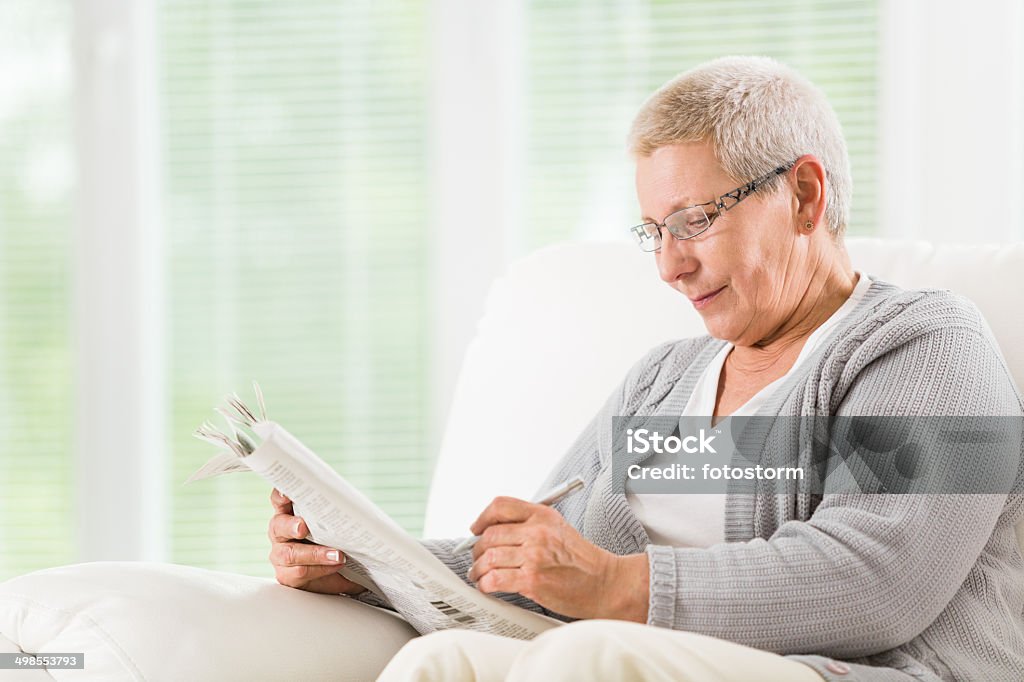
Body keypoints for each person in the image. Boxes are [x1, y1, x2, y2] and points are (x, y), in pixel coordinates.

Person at [267, 56, 1024, 681]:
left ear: (803, 194)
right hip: (638, 658)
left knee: (587, 655)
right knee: (440, 661)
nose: (670, 264)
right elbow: (542, 561)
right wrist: (362, 565)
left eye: (697, 220)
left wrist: (616, 587)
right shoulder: (664, 380)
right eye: (655, 231)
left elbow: (876, 582)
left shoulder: (927, 346)